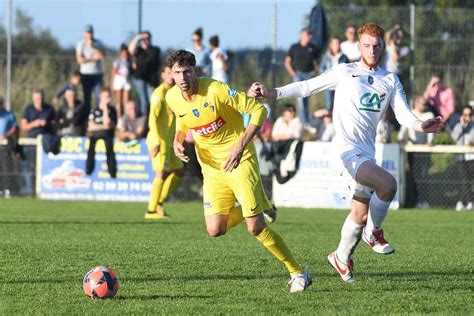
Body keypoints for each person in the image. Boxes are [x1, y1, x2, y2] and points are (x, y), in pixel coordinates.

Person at [248, 23, 445, 284]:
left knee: (359, 214)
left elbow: (404, 115)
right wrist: (273, 93)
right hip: (345, 151)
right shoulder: (345, 72)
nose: (372, 50)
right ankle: (373, 234)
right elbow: (307, 87)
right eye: (366, 45)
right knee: (388, 185)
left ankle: (341, 257)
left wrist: (422, 124)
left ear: (382, 47)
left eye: (376, 46)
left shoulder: (390, 79)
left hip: (366, 152)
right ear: (359, 46)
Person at [166, 50, 311, 293]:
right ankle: (260, 202)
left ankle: (298, 273)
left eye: (186, 71)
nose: (182, 77)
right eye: (177, 73)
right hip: (212, 169)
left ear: (196, 70)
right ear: (171, 74)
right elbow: (184, 119)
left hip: (240, 160)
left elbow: (259, 111)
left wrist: (239, 146)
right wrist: (178, 139)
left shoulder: (216, 90)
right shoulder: (173, 97)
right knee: (215, 230)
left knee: (255, 228)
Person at [145, 66, 185, 219]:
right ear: (163, 75)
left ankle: (160, 202)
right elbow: (152, 119)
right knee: (160, 173)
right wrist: (155, 140)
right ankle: (151, 210)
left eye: (173, 73)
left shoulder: (176, 93)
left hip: (171, 140)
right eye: (168, 73)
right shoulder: (158, 94)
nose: (170, 76)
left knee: (180, 171)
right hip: (159, 140)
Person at [398, 96, 435, 208]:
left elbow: (432, 131)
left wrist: (430, 142)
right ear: (417, 103)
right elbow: (404, 128)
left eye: (425, 104)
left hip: (424, 150)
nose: (424, 106)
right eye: (422, 103)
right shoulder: (411, 113)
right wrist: (400, 138)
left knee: (424, 176)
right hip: (413, 149)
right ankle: (416, 200)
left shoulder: (429, 115)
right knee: (414, 175)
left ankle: (424, 201)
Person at [285, 27, 319, 130]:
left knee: (306, 99)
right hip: (298, 75)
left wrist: (314, 72)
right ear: (302, 35)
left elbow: (317, 62)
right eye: (307, 34)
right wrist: (293, 73)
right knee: (300, 99)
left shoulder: (313, 48)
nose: (310, 36)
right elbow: (287, 61)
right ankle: (303, 122)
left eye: (310, 34)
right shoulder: (294, 47)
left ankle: (305, 121)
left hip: (308, 76)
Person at [85, 87, 117, 178]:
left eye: (109, 96)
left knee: (109, 147)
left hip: (108, 135)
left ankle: (112, 172)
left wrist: (105, 108)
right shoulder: (94, 110)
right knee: (91, 147)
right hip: (95, 135)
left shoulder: (112, 110)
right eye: (105, 96)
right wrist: (103, 127)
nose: (107, 98)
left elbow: (108, 123)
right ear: (101, 97)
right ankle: (89, 170)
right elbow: (91, 127)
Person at [129, 31, 162, 117]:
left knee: (152, 99)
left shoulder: (155, 50)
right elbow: (130, 50)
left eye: (148, 38)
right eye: (144, 38)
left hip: (151, 80)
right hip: (139, 78)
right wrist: (138, 37)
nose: (146, 40)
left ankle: (151, 118)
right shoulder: (138, 50)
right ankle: (144, 120)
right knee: (143, 100)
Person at [76, 25, 105, 114]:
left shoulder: (98, 43)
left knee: (98, 97)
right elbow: (80, 60)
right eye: (88, 33)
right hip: (85, 74)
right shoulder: (81, 44)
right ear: (84, 33)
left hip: (97, 74)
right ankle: (87, 117)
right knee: (87, 97)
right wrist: (92, 58)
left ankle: (99, 115)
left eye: (91, 32)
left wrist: (94, 48)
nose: (89, 35)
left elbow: (102, 56)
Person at [450, 106, 473, 211]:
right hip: (460, 157)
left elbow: (471, 139)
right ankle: (470, 202)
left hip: (471, 157)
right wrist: (462, 126)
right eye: (465, 115)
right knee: (464, 180)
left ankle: (460, 202)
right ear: (461, 116)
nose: (467, 117)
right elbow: (454, 138)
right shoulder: (458, 126)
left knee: (467, 181)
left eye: (469, 115)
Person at [319, 36, 349, 111]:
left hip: (340, 84)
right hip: (329, 83)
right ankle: (329, 121)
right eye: (335, 43)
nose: (337, 45)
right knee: (328, 104)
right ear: (331, 45)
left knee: (340, 104)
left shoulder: (344, 57)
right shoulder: (326, 56)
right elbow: (321, 69)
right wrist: (326, 76)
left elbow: (348, 69)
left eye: (338, 43)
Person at [111, 44, 132, 118]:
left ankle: (126, 117)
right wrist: (112, 84)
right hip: (118, 81)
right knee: (119, 101)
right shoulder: (117, 61)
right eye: (123, 53)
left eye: (126, 53)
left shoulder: (129, 61)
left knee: (126, 101)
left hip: (127, 81)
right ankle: (119, 117)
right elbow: (113, 73)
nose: (124, 55)